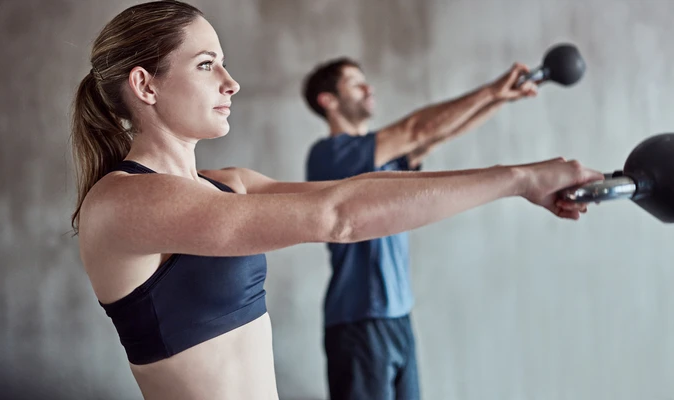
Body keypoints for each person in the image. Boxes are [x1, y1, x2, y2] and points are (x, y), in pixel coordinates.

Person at [70, 1, 601, 399]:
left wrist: (518, 172)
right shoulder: (122, 203)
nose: (231, 83)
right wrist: (519, 179)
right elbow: (339, 216)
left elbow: (365, 189)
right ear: (145, 85)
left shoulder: (229, 182)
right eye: (207, 64)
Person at [301, 58, 543, 399]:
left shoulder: (383, 159)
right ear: (328, 101)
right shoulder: (330, 155)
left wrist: (500, 98)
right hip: (359, 321)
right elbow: (418, 130)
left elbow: (438, 134)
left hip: (398, 317)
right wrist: (489, 89)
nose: (369, 88)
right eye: (356, 83)